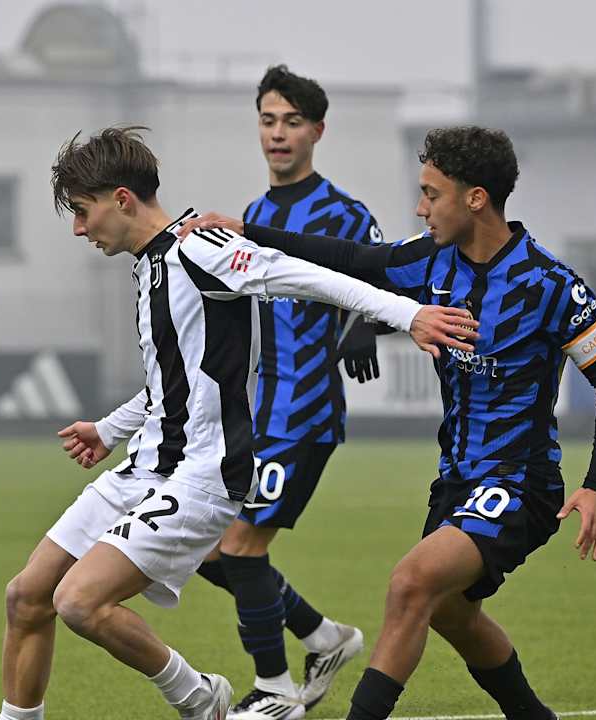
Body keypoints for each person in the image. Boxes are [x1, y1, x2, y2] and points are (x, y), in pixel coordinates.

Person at [0, 126, 475, 720]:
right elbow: (169, 383)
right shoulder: (148, 267)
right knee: (27, 597)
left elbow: (304, 276)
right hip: (143, 467)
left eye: (82, 211)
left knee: (78, 602)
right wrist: (110, 429)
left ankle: (200, 698)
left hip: (202, 474)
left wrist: (407, 315)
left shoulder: (201, 249)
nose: (78, 229)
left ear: (122, 200)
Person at [179, 125, 596, 720]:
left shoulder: (550, 284)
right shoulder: (430, 261)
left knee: (409, 584)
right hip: (456, 482)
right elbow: (351, 261)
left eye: (431, 193)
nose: (420, 207)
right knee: (449, 611)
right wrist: (249, 233)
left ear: (475, 198)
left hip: (521, 483)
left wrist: (595, 485)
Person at [192, 65, 380, 720]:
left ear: (317, 131)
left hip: (305, 413)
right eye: (269, 120)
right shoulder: (258, 213)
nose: (278, 134)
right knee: (206, 551)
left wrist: (363, 327)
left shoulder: (345, 214)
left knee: (241, 548)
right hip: (258, 411)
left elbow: (397, 282)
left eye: (292, 122)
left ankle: (275, 692)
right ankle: (325, 640)